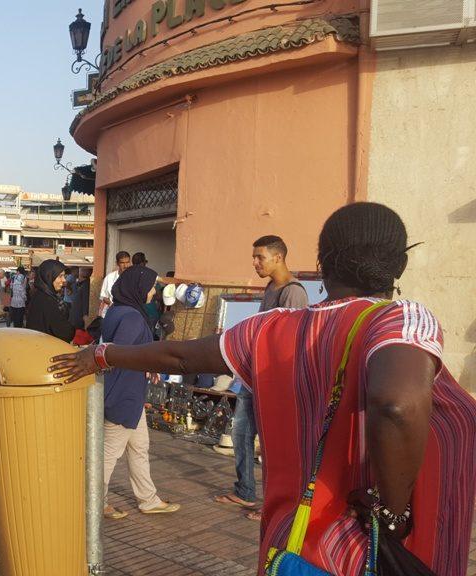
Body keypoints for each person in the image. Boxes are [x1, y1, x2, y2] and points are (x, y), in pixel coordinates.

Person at [50, 202, 476, 575]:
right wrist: (394, 514)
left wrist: (102, 355)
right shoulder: (400, 319)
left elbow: (181, 357)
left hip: (295, 543)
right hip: (380, 550)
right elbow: (397, 404)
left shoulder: (269, 329)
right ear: (400, 265)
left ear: (322, 262)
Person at [214, 235, 311, 519]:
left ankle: (275, 504)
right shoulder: (271, 287)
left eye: (260, 257)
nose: (255, 263)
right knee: (241, 433)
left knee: (272, 445)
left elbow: (289, 343)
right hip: (254, 376)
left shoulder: (293, 293)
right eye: (254, 257)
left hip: (275, 381)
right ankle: (245, 491)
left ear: (278, 258)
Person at [101, 265, 180, 518]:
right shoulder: (132, 317)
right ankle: (94, 501)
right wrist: (146, 363)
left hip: (129, 392)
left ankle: (148, 499)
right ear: (138, 286)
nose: (153, 291)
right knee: (109, 453)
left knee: (139, 446)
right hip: (124, 393)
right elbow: (121, 354)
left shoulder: (117, 310)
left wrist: (147, 364)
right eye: (151, 286)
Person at [25, 260, 75, 342]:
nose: (64, 280)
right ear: (49, 277)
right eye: (60, 276)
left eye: (64, 276)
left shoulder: (39, 295)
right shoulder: (48, 300)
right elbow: (65, 332)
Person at [100, 251, 132, 317]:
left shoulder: (134, 278)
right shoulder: (109, 277)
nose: (125, 266)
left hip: (128, 314)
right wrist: (112, 305)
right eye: (122, 263)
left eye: (127, 262)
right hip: (111, 313)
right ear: (117, 263)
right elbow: (103, 296)